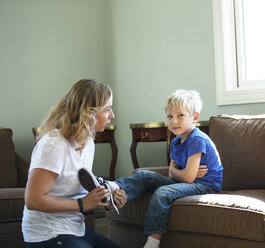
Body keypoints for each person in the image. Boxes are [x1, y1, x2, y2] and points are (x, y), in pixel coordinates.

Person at [79, 89, 223, 248]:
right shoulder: (176, 141)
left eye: (180, 115)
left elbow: (186, 177)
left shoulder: (197, 139)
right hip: (190, 182)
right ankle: (112, 190)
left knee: (162, 193)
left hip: (205, 186)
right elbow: (175, 173)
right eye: (170, 116)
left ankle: (153, 241)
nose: (174, 121)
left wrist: (176, 171)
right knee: (144, 176)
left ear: (194, 117)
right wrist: (177, 171)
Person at [22, 79, 121, 248]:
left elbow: (72, 183)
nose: (111, 115)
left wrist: (108, 194)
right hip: (47, 234)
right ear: (88, 114)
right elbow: (33, 200)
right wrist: (83, 204)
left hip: (75, 229)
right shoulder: (54, 145)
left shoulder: (87, 141)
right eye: (107, 110)